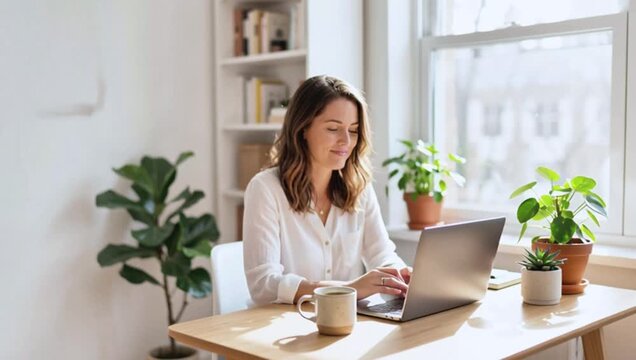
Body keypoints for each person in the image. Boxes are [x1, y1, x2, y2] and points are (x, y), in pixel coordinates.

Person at [243, 75, 411, 305]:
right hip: (281, 327)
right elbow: (263, 285)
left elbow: (381, 253)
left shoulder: (359, 187)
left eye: (353, 130)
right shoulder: (265, 189)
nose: (346, 141)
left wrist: (399, 275)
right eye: (333, 128)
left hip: (346, 323)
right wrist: (349, 289)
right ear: (303, 129)